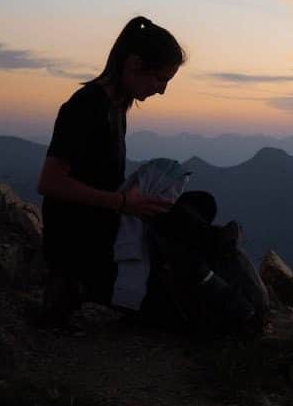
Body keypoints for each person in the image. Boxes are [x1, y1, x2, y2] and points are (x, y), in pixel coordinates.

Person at [36, 16, 185, 324]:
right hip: (79, 242)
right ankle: (71, 286)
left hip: (104, 227)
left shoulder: (117, 107)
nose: (161, 91)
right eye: (160, 79)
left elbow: (98, 176)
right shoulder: (85, 107)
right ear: (134, 64)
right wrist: (121, 203)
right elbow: (49, 183)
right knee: (174, 309)